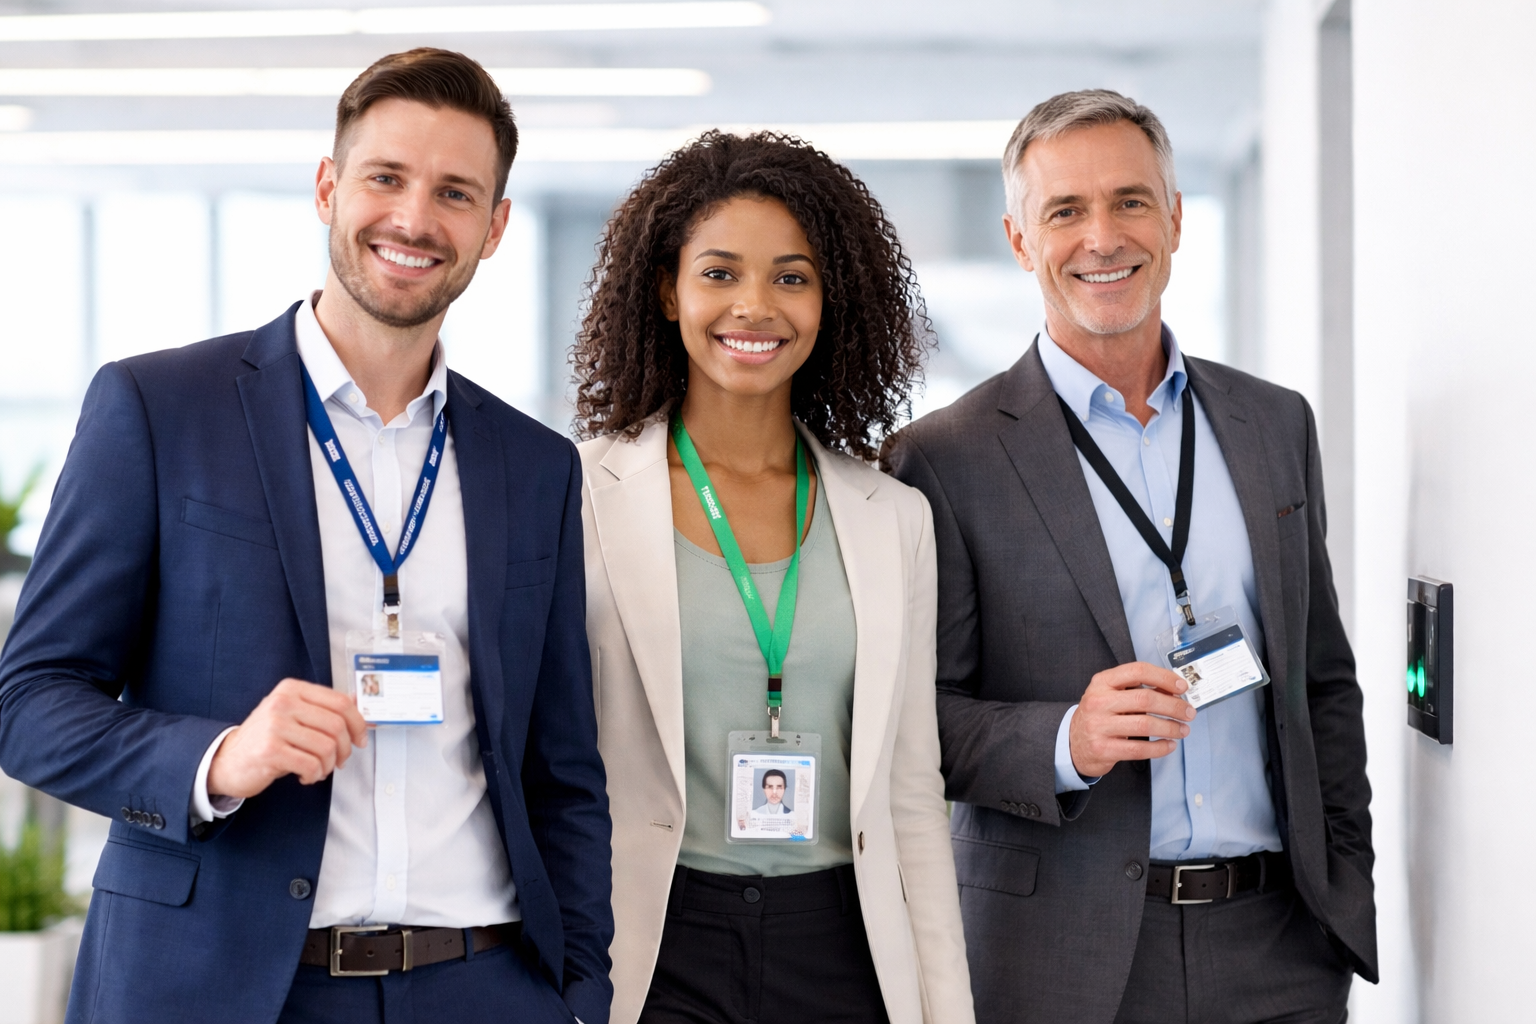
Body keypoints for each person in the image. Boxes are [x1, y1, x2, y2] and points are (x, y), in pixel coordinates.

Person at [0, 49, 612, 1024]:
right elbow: (29, 704)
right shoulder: (160, 409)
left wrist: (581, 988)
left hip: (481, 988)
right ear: (328, 187)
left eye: (455, 193)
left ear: (495, 228)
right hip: (225, 987)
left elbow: (562, 769)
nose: (414, 219)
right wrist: (220, 757)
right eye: (385, 178)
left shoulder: (534, 464)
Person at [884, 90, 1375, 1024]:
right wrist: (1065, 740)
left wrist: (1342, 886)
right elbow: (912, 725)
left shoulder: (1274, 423)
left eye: (1131, 201)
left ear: (1177, 219)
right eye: (1065, 211)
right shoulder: (943, 457)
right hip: (1060, 960)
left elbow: (1322, 683)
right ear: (1020, 239)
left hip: (1279, 949)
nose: (1102, 236)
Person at [573, 131, 973, 1024]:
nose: (754, 306)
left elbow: (913, 795)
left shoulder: (892, 517)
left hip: (840, 946)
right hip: (653, 941)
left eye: (791, 277)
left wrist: (947, 1007)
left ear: (833, 303)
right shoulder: (581, 499)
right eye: (719, 273)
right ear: (667, 292)